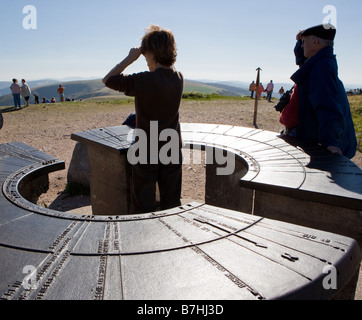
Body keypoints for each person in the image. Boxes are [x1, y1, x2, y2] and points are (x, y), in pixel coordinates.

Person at [103, 25, 184, 214]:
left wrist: (130, 58)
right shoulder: (178, 77)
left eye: (145, 53)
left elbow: (108, 80)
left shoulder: (144, 80)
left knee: (143, 203)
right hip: (171, 145)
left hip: (146, 147)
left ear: (151, 53)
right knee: (172, 201)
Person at [290, 24, 357, 159]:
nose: (302, 46)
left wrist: (330, 142)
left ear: (315, 42)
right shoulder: (322, 61)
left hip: (318, 141)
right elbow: (304, 63)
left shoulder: (321, 69)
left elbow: (328, 106)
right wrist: (299, 42)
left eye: (304, 42)